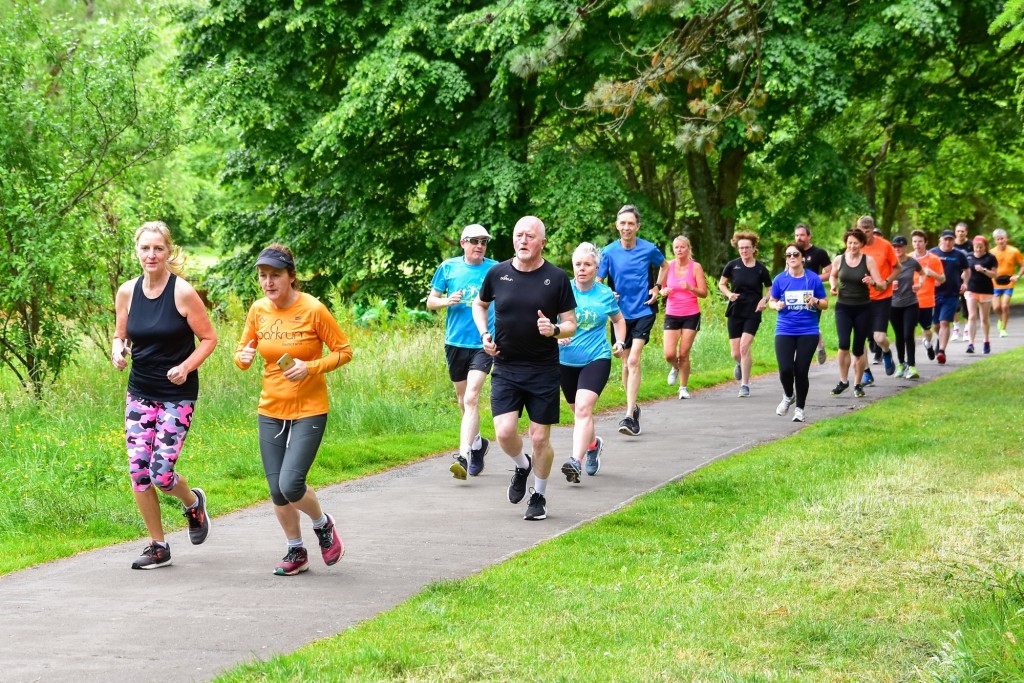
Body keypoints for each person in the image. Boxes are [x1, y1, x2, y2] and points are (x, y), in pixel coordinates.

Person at [234, 244, 353, 576]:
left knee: (291, 484)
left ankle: (322, 524)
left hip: (309, 409)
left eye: (275, 276)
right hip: (270, 407)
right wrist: (241, 358)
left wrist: (310, 367)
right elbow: (244, 349)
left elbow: (344, 352)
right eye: (263, 276)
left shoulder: (313, 309)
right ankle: (295, 551)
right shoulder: (258, 310)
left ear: (290, 277)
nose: (268, 283)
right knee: (276, 489)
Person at [112, 221, 217, 570]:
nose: (151, 254)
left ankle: (192, 503)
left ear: (168, 251)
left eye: (158, 248)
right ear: (137, 251)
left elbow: (209, 339)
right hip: (140, 391)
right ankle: (158, 546)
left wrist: (186, 366)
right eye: (145, 248)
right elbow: (121, 334)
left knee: (160, 472)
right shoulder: (127, 291)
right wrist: (118, 351)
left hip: (177, 394)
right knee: (138, 471)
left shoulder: (183, 292)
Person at [473, 216, 577, 521]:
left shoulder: (557, 278)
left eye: (530, 236)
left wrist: (555, 330)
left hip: (543, 368)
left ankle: (539, 495)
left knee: (540, 438)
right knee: (504, 433)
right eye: (519, 235)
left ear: (542, 242)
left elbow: (572, 323)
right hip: (505, 364)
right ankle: (522, 465)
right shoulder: (497, 273)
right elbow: (479, 305)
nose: (523, 241)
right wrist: (484, 336)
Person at [426, 224, 498, 479]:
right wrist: (447, 301)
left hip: (483, 343)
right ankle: (478, 444)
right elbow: (431, 301)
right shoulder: (448, 267)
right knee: (462, 401)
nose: (479, 245)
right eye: (474, 241)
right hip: (455, 342)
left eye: (484, 241)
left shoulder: (495, 269)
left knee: (471, 398)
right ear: (463, 243)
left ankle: (463, 456)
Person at [597, 204, 669, 436]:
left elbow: (665, 265)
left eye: (631, 223)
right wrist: (608, 294)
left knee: (634, 360)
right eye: (623, 223)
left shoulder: (648, 249)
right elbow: (598, 281)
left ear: (637, 226)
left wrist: (657, 288)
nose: (626, 227)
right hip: (619, 316)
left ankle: (629, 415)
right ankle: (633, 406)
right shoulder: (608, 252)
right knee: (625, 361)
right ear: (617, 226)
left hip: (644, 311)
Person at [557, 243, 626, 483]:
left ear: (596, 267)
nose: (582, 269)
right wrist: (558, 335)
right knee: (578, 413)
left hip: (596, 358)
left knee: (584, 409)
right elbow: (549, 323)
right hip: (565, 360)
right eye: (578, 264)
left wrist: (620, 342)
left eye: (587, 264)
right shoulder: (561, 291)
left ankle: (575, 461)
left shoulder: (605, 294)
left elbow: (618, 320)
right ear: (573, 266)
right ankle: (593, 445)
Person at [769, 243, 828, 422]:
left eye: (795, 254)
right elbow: (772, 301)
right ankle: (788, 396)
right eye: (788, 255)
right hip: (785, 329)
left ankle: (800, 409)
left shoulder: (813, 279)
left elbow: (825, 303)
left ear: (803, 257)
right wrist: (776, 305)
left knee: (801, 370)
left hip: (808, 330)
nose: (792, 258)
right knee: (785, 369)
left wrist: (816, 301)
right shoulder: (780, 279)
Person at [828, 228, 885, 398]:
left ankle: (858, 384)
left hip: (863, 309)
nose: (852, 246)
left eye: (856, 243)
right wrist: (833, 286)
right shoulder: (839, 259)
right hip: (843, 308)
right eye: (849, 242)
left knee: (858, 349)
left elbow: (882, 284)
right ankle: (843, 381)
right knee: (843, 344)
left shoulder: (868, 261)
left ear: (861, 244)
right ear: (846, 243)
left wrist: (872, 282)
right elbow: (833, 275)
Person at [718, 230, 772, 398]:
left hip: (753, 310)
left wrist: (765, 300)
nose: (744, 251)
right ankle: (740, 363)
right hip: (736, 310)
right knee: (735, 353)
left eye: (747, 248)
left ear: (754, 248)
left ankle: (745, 385)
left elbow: (770, 289)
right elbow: (722, 284)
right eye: (741, 248)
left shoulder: (761, 269)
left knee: (744, 347)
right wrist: (729, 295)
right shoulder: (732, 265)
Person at [660, 236, 709, 399]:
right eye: (676, 247)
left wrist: (690, 287)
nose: (679, 250)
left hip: (691, 314)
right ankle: (675, 367)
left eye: (682, 247)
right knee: (669, 354)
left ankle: (683, 388)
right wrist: (663, 291)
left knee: (683, 353)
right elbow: (661, 287)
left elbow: (703, 293)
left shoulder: (696, 267)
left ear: (689, 248)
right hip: (672, 314)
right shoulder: (668, 266)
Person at [857, 216, 901, 381]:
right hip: (860, 298)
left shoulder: (885, 246)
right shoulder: (854, 247)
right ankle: (866, 372)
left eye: (867, 231)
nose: (865, 235)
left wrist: (887, 281)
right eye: (861, 231)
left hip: (882, 296)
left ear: (873, 230)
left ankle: (887, 352)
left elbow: (898, 267)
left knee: (879, 337)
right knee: (860, 338)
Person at [888, 235, 928, 379]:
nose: (897, 249)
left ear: (905, 247)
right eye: (895, 247)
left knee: (908, 334)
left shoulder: (912, 262)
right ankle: (901, 364)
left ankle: (912, 366)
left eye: (899, 246)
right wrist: (889, 284)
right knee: (899, 335)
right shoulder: (889, 263)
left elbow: (923, 274)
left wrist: (919, 285)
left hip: (911, 303)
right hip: (893, 304)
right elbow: (880, 280)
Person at [928, 229, 970, 364]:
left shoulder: (959, 255)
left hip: (952, 293)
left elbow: (967, 270)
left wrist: (965, 283)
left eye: (950, 239)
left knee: (945, 322)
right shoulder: (932, 253)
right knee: (936, 324)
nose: (948, 242)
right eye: (945, 239)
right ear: (940, 240)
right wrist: (931, 280)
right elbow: (924, 270)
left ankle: (941, 351)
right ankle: (940, 339)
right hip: (934, 293)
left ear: (954, 241)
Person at [794, 223, 832, 364]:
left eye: (802, 235)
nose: (799, 238)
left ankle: (818, 345)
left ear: (809, 236)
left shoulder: (819, 253)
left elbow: (831, 272)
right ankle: (798, 360)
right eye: (797, 235)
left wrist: (814, 279)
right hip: (794, 295)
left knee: (810, 325)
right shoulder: (793, 253)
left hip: (813, 295)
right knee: (797, 325)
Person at [910, 230, 945, 361]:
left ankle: (928, 343)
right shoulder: (908, 259)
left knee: (927, 331)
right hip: (910, 300)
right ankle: (910, 359)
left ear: (925, 242)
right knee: (909, 331)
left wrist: (932, 273)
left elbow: (942, 279)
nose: (917, 244)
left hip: (926, 301)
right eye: (914, 241)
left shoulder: (934, 259)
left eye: (920, 241)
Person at [964, 235, 998, 354]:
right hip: (971, 289)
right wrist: (963, 281)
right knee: (972, 316)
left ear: (985, 247)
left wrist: (983, 270)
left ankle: (986, 341)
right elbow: (965, 272)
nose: (978, 249)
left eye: (981, 247)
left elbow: (994, 275)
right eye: (976, 247)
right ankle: (970, 343)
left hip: (986, 290)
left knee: (984, 318)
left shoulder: (990, 258)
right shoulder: (968, 257)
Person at [991, 229, 1024, 337]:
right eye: (998, 239)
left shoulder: (1014, 251)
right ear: (995, 240)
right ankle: (1001, 319)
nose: (1001, 241)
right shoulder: (992, 252)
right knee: (996, 307)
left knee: (1005, 306)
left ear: (1006, 239)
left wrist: (1017, 276)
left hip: (1009, 282)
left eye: (1002, 238)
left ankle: (1003, 329)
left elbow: (1023, 265)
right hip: (995, 283)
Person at [951, 221, 972, 340]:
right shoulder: (952, 245)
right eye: (958, 231)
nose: (960, 233)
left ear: (966, 232)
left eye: (962, 231)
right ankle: (956, 327)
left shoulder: (971, 245)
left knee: (967, 304)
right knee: (954, 304)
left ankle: (967, 329)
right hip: (954, 277)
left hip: (968, 278)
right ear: (955, 232)